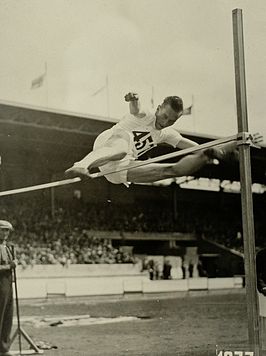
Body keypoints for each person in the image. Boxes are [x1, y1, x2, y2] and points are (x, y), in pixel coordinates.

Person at [65, 92, 263, 186]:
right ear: (158, 108)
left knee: (171, 171)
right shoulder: (146, 115)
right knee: (122, 148)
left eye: (171, 120)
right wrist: (133, 99)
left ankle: (205, 159)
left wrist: (238, 140)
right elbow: (137, 108)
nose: (165, 122)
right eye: (164, 115)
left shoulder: (167, 134)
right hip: (108, 144)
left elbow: (198, 147)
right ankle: (81, 165)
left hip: (119, 170)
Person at [0, 220, 16, 356]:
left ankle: (4, 348)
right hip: (0, 285)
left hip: (8, 283)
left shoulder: (7, 247)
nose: (6, 233)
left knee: (8, 316)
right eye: (3, 230)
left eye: (7, 231)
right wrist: (9, 266)